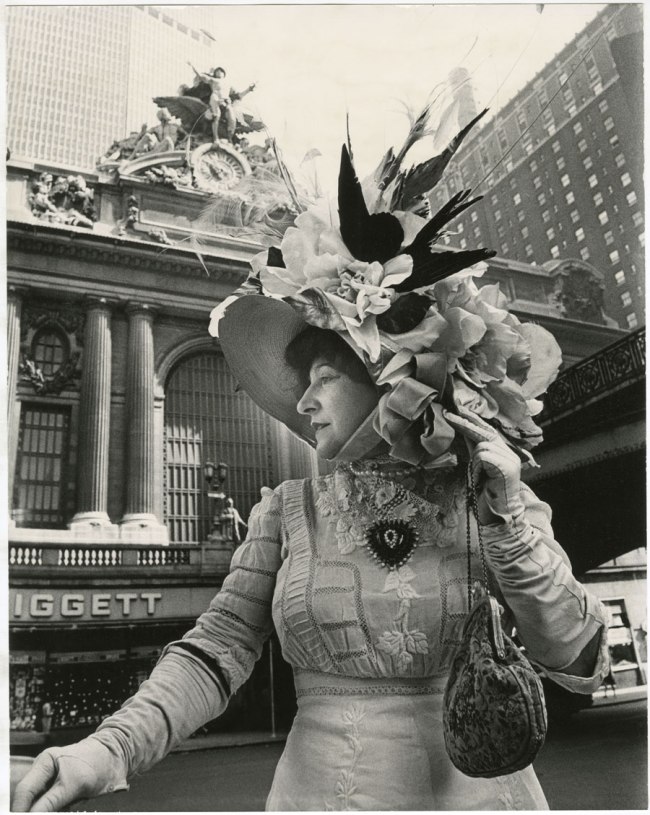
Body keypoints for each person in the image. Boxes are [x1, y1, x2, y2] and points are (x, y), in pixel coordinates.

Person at [13, 113, 610, 813]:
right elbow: (217, 649)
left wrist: (507, 525)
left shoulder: (493, 499)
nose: (304, 400)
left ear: (389, 374)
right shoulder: (286, 510)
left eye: (324, 375)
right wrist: (108, 748)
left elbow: (576, 659)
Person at [187, 63, 255, 144]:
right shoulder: (213, 80)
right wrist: (192, 66)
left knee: (232, 119)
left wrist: (248, 89)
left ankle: (229, 138)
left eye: (221, 71)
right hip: (215, 98)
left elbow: (238, 95)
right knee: (216, 116)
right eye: (217, 71)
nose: (219, 72)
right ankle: (216, 138)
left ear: (224, 73)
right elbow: (201, 76)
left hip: (226, 101)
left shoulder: (229, 84)